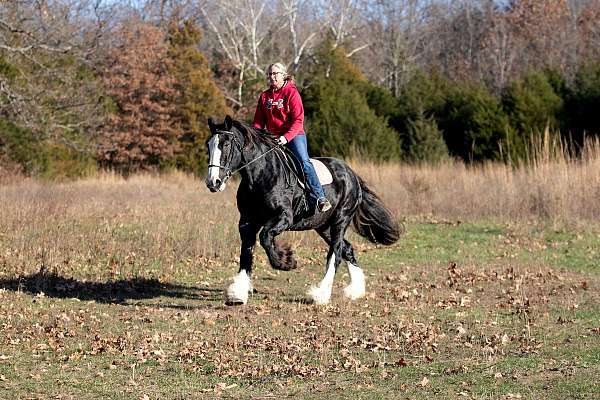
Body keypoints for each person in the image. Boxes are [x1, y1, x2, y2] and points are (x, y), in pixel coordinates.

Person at [252, 62, 332, 212]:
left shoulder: (291, 93)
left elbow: (298, 121)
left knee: (304, 162)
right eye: (270, 74)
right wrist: (254, 138)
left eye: (275, 73)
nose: (272, 77)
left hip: (294, 135)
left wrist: (285, 138)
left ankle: (320, 197)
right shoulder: (264, 96)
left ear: (283, 75)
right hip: (272, 138)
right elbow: (258, 122)